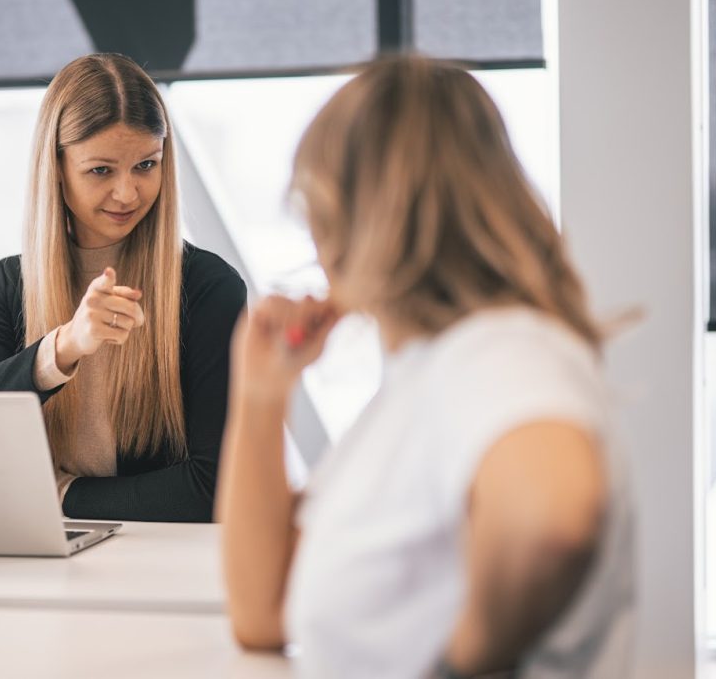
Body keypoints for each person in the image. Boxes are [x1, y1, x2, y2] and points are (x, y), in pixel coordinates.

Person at [217, 56, 634, 677]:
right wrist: (261, 397)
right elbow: (264, 613)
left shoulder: (502, 352)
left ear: (361, 214)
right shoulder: (430, 370)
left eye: (315, 207)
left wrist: (458, 663)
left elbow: (553, 517)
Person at [0, 53, 246, 522]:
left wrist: (62, 494)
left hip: (159, 565)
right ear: (57, 168)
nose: (127, 194)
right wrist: (61, 349)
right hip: (34, 560)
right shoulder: (4, 287)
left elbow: (214, 487)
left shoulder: (208, 288)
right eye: (101, 170)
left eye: (146, 165)